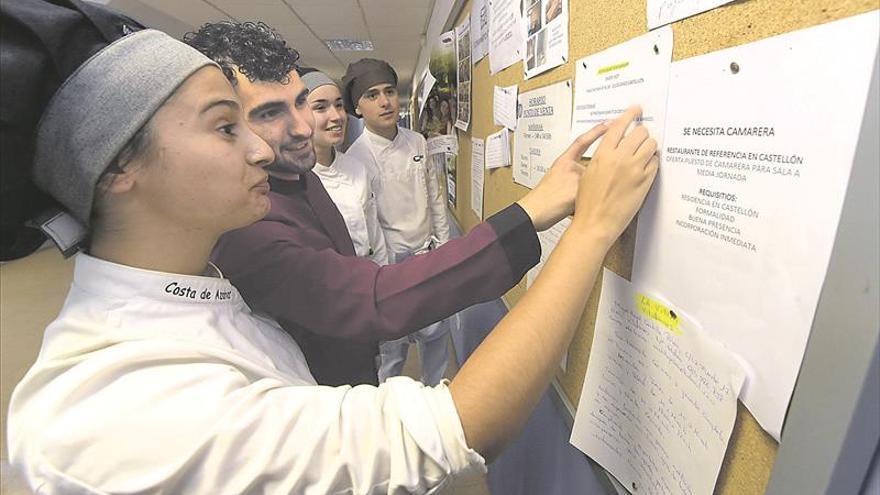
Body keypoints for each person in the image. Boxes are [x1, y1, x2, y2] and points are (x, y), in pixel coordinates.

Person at [7, 28, 659, 494]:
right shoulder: (108, 414)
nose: (268, 148)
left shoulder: (198, 286)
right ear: (120, 167)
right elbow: (453, 428)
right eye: (228, 125)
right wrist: (590, 227)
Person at [184, 22, 579, 387]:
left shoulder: (298, 176)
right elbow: (368, 297)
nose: (305, 126)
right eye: (270, 113)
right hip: (326, 393)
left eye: (303, 102)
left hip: (360, 352)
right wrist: (527, 217)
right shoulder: (249, 228)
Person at [343, 58, 459, 385]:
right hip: (388, 265)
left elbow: (436, 197)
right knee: (392, 350)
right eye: (372, 95)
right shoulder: (355, 160)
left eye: (389, 92)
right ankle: (388, 413)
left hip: (427, 255)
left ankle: (436, 396)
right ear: (358, 107)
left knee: (436, 338)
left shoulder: (418, 143)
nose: (384, 101)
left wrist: (444, 248)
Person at [301, 68, 388, 265]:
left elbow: (374, 233)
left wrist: (383, 274)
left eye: (339, 105)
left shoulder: (356, 168)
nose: (337, 116)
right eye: (320, 108)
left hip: (369, 274)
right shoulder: (296, 182)